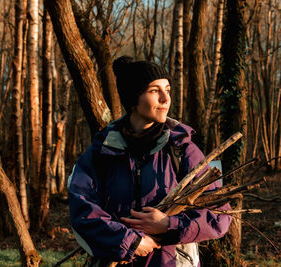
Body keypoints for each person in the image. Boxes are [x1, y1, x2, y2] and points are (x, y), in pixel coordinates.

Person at [67, 56, 231, 266]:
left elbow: (220, 214)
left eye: (168, 90)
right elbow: (82, 211)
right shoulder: (101, 153)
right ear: (133, 99)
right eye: (154, 90)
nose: (165, 98)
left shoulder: (182, 150)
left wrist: (168, 224)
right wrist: (130, 242)